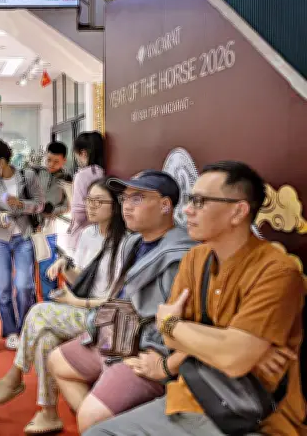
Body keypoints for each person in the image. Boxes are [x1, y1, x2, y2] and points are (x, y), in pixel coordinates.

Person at [86, 161, 306, 436]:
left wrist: (175, 325)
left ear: (238, 211)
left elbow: (232, 358)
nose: (188, 210)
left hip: (251, 414)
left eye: (200, 202)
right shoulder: (195, 258)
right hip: (191, 396)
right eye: (191, 200)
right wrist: (229, 343)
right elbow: (170, 339)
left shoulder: (277, 271)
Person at [47, 170, 196, 432]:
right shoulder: (134, 242)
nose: (126, 206)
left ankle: (97, 424)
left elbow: (187, 325)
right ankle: (105, 428)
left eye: (137, 198)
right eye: (125, 198)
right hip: (116, 335)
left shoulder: (181, 256)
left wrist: (163, 364)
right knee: (56, 361)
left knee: (90, 418)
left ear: (165, 205)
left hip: (145, 351)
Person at [0, 178, 129, 433]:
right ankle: (49, 413)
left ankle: (16, 375)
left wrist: (76, 301)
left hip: (106, 316)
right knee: (46, 339)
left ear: (116, 206)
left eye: (99, 202)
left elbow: (118, 301)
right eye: (89, 200)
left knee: (38, 311)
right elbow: (83, 280)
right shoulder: (89, 234)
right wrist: (66, 268)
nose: (91, 206)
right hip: (85, 309)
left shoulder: (125, 243)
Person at [0, 140, 43, 350]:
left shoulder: (28, 176)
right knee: (3, 289)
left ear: (1, 161)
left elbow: (40, 204)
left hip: (23, 237)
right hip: (0, 239)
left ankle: (25, 327)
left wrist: (22, 205)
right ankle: (10, 330)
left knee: (24, 285)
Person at [35, 141, 72, 301]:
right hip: (29, 227)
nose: (51, 164)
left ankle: (49, 303)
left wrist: (52, 211)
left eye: (56, 161)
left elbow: (67, 206)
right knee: (26, 275)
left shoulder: (67, 179)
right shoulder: (36, 173)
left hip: (50, 229)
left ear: (64, 160)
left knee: (47, 269)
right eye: (48, 160)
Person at [67, 132, 106, 251]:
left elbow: (78, 214)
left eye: (76, 154)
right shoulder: (103, 173)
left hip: (82, 238)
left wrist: (69, 193)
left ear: (83, 153)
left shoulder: (82, 175)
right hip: (101, 236)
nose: (76, 159)